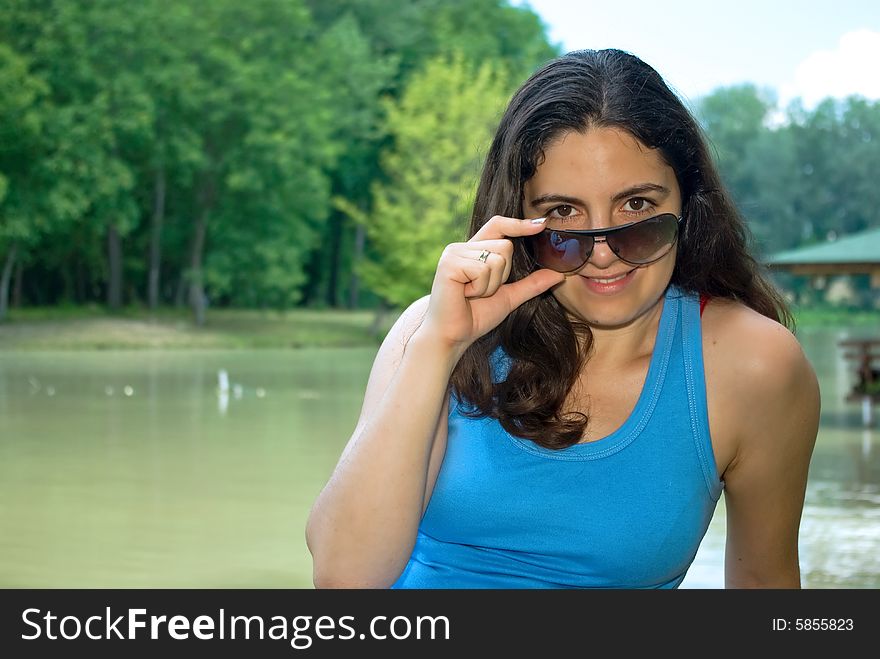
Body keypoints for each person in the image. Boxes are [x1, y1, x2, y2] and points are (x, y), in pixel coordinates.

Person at [305, 48, 821, 589]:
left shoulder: (754, 367)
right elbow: (344, 580)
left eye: (637, 206)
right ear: (517, 218)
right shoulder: (429, 333)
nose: (603, 252)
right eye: (563, 214)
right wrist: (438, 346)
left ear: (689, 205)